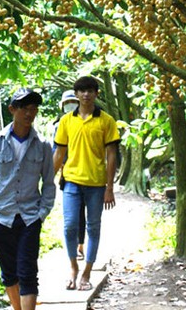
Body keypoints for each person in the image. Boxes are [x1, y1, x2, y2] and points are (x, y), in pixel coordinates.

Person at [0, 88, 55, 310]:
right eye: (25, 108)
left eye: (34, 109)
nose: (29, 114)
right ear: (12, 109)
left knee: (27, 271)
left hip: (29, 218)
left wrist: (42, 213)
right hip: (1, 218)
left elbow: (49, 183)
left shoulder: (42, 145)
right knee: (9, 273)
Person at [53, 76, 121, 291]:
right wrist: (45, 182)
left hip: (96, 183)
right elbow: (59, 153)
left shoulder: (106, 121)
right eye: (81, 91)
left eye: (90, 90)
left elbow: (112, 156)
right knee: (70, 225)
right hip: (71, 181)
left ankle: (87, 272)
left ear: (96, 93)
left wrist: (110, 188)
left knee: (93, 227)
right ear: (76, 94)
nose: (86, 94)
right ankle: (73, 267)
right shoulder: (66, 121)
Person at [55, 90, 86, 260]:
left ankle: (80, 244)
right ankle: (74, 246)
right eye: (67, 103)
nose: (70, 106)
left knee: (82, 211)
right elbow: (56, 151)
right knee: (71, 214)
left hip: (88, 174)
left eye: (72, 102)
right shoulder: (58, 125)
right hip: (67, 175)